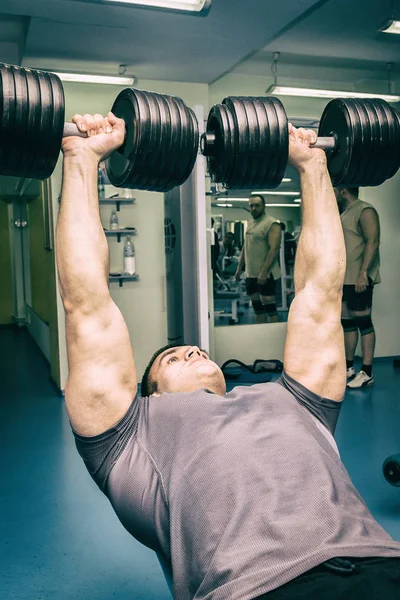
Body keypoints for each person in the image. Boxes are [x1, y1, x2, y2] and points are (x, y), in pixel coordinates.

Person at [57, 115, 400, 600]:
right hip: (257, 589)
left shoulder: (296, 400)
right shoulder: (131, 442)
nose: (194, 350)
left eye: (195, 349)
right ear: (148, 395)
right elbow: (87, 305)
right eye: (174, 358)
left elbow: (321, 292)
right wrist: (80, 159)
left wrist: (312, 164)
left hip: (383, 562)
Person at [334, 187, 381, 388]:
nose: (332, 191)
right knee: (348, 323)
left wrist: (363, 273)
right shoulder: (344, 213)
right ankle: (349, 367)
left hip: (358, 278)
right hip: (344, 279)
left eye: (335, 189)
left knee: (364, 323)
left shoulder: (365, 210)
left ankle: (367, 372)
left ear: (343, 191)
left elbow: (373, 241)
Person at [234, 195, 281, 323]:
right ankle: (261, 336)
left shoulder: (272, 223)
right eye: (251, 205)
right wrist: (239, 268)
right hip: (251, 273)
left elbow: (274, 249)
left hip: (266, 274)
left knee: (270, 308)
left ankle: (272, 338)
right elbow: (246, 246)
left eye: (257, 205)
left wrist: (264, 272)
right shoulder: (250, 223)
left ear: (264, 206)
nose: (253, 208)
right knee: (257, 308)